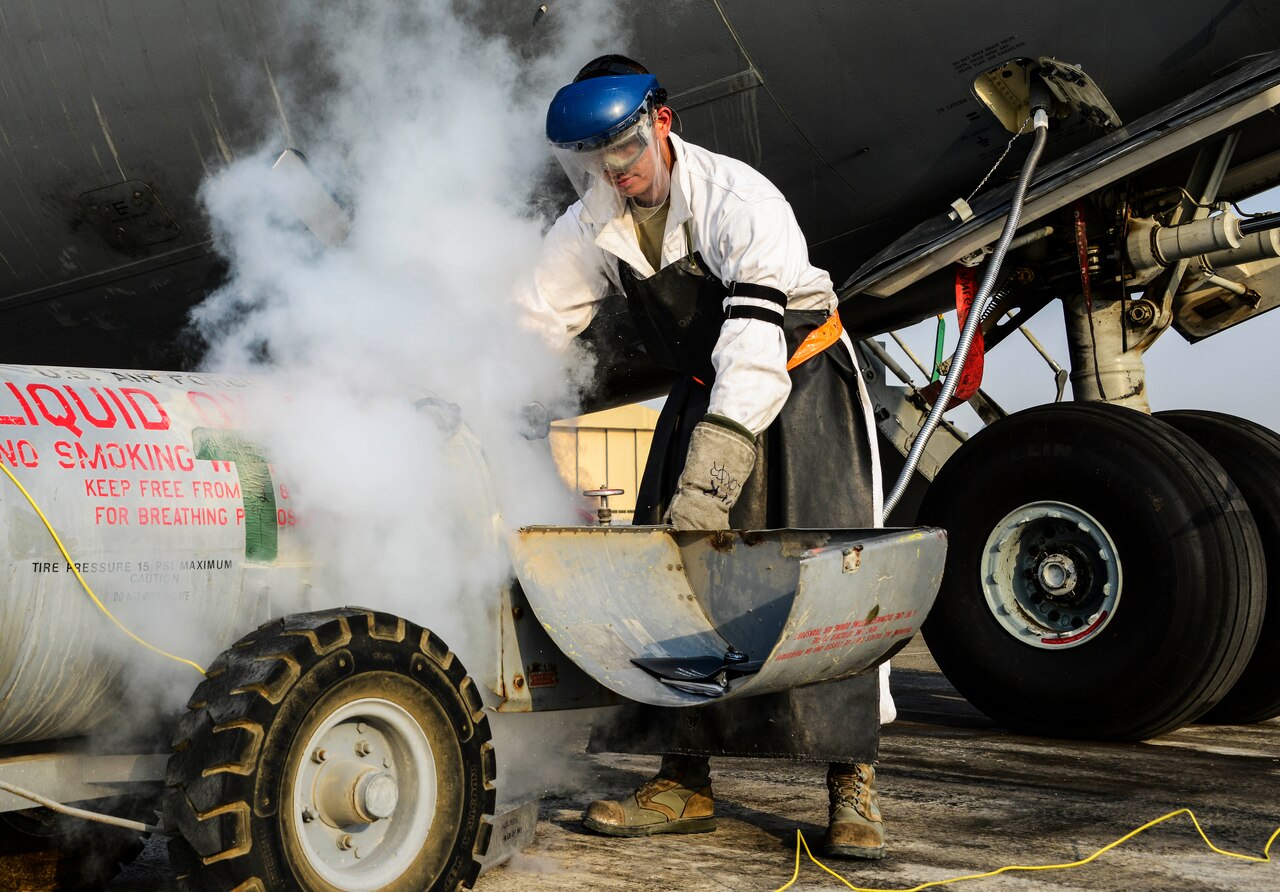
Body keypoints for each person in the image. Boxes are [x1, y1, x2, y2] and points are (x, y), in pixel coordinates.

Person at [519, 54, 892, 860]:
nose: (614, 175)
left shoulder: (739, 200)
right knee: (674, 576)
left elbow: (755, 349)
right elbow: (531, 327)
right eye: (593, 162)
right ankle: (683, 779)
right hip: (700, 382)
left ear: (663, 122)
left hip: (794, 384)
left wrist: (710, 482)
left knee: (824, 575)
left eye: (623, 153)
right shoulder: (590, 223)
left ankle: (851, 783)